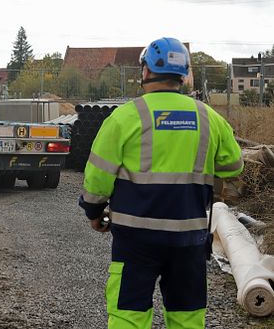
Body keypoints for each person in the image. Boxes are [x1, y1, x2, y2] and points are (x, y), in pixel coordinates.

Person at [79, 37, 243, 329]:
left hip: (135, 239)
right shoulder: (209, 118)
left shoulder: (125, 117)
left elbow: (98, 176)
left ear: (146, 71)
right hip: (189, 237)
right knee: (187, 317)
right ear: (184, 74)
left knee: (128, 315)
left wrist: (94, 213)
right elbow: (233, 166)